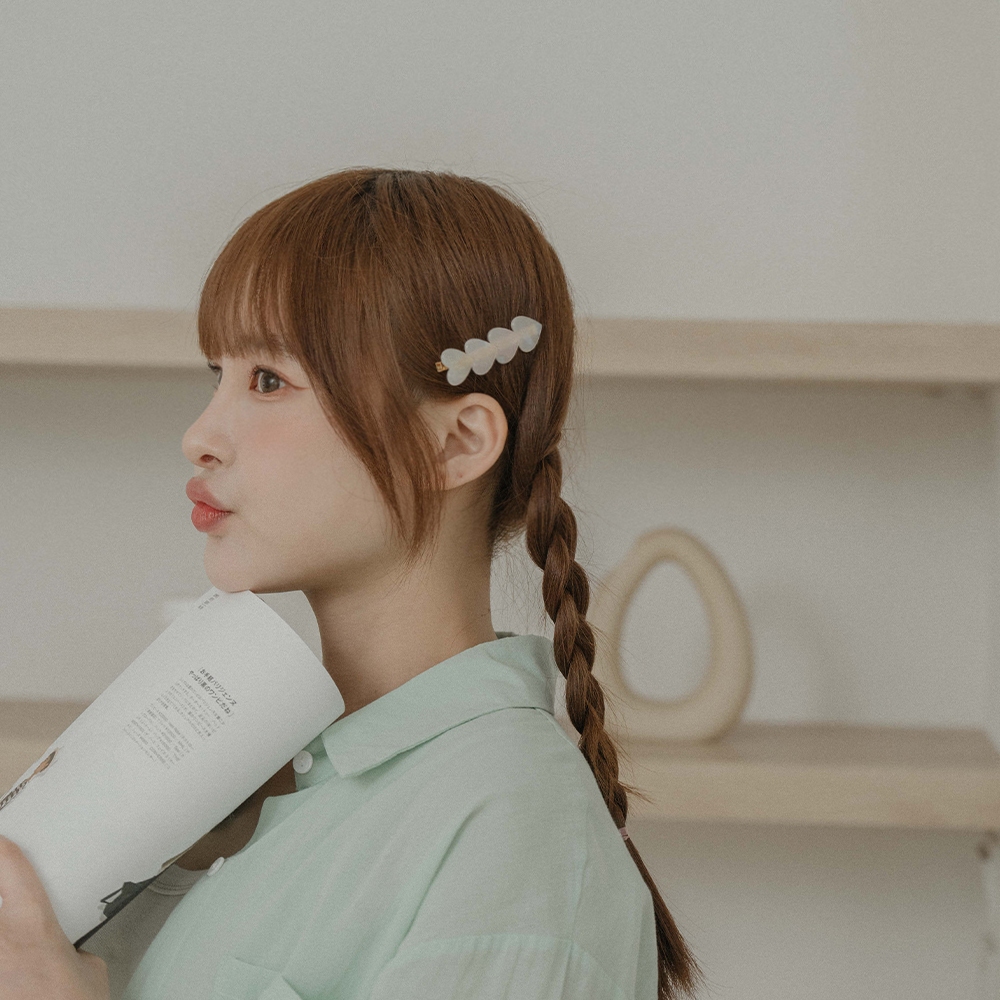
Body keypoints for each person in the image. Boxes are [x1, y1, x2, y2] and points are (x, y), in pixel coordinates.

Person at [0, 169, 700, 1000]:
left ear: (455, 443)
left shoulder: (512, 838)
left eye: (269, 380)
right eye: (217, 374)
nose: (199, 435)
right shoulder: (242, 776)